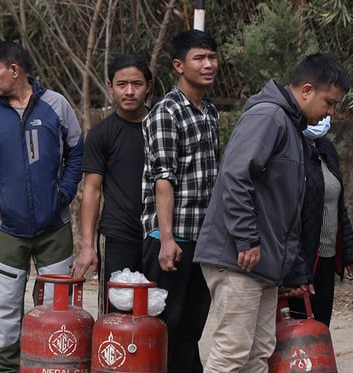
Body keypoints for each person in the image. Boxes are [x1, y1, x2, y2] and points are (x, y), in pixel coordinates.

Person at [195, 52, 350, 372]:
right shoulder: (269, 117)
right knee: (233, 352)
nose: (330, 113)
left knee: (260, 350)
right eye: (329, 102)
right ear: (306, 90)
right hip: (238, 256)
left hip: (262, 262)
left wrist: (294, 270)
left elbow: (287, 211)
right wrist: (246, 239)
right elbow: (236, 176)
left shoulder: (293, 129)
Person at [0, 41, 83, 372]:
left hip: (54, 228)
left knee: (60, 307)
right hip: (7, 230)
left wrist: (65, 191)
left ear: (14, 70)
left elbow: (76, 152)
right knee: (5, 307)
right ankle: (6, 368)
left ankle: (56, 366)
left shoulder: (56, 106)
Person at [140, 29, 219, 372]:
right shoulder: (166, 112)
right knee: (165, 325)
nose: (208, 65)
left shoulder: (210, 112)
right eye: (199, 58)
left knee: (192, 325)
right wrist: (167, 239)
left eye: (212, 57)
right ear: (178, 65)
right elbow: (164, 179)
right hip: (171, 241)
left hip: (203, 240)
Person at [73, 54, 152, 315]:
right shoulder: (101, 135)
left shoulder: (162, 127)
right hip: (117, 235)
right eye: (122, 84)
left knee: (156, 310)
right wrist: (87, 245)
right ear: (110, 86)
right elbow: (92, 190)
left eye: (137, 84)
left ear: (148, 86)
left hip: (158, 235)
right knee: (115, 312)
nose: (129, 91)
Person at [288, 116, 353, 326]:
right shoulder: (290, 147)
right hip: (300, 258)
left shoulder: (326, 147)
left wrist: (348, 253)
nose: (326, 114)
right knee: (298, 330)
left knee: (320, 326)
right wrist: (296, 268)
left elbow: (339, 205)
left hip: (326, 257)